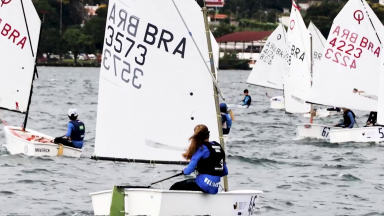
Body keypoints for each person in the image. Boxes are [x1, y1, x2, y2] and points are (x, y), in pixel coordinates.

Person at [169, 124, 228, 194]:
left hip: (202, 185)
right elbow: (225, 171)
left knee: (175, 186)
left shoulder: (201, 148)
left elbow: (188, 171)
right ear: (208, 135)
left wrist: (184, 171)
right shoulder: (218, 147)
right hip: (214, 188)